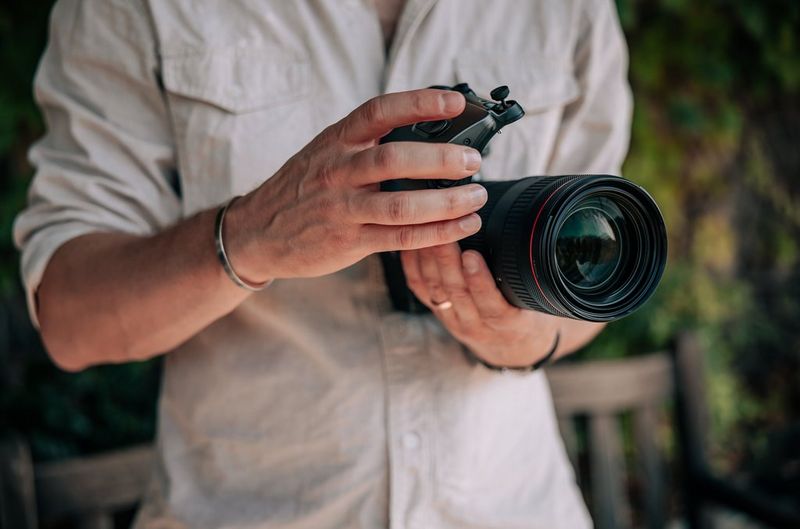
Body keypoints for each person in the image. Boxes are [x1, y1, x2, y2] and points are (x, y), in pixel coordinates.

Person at [14, 0, 632, 527]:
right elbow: (71, 321)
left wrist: (519, 336)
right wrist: (253, 234)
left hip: (519, 506)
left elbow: (597, 269)